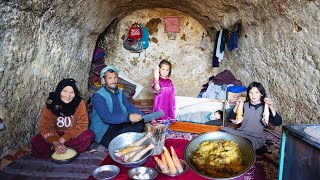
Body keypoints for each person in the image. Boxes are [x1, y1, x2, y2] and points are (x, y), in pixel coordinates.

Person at [31, 78, 94, 159]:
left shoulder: (79, 103)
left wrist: (64, 139)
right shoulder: (51, 103)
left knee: (89, 135)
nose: (68, 96)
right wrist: (55, 142)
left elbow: (83, 125)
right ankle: (63, 148)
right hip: (55, 134)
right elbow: (45, 126)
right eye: (65, 91)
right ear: (59, 91)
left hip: (71, 135)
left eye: (72, 92)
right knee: (36, 141)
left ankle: (58, 149)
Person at [90, 65, 145, 148]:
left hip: (118, 122)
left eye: (115, 77)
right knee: (119, 140)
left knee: (140, 123)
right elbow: (106, 117)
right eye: (110, 78)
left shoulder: (119, 91)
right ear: (103, 81)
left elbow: (128, 107)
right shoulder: (98, 97)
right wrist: (128, 117)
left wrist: (142, 115)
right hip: (105, 129)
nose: (113, 81)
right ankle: (123, 140)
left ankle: (124, 138)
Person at [220, 82, 282, 153]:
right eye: (251, 92)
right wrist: (237, 105)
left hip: (255, 137)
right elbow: (230, 118)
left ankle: (257, 148)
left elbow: (278, 122)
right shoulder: (245, 105)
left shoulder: (265, 108)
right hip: (241, 132)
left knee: (244, 144)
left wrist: (271, 106)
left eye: (256, 92)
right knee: (222, 130)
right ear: (248, 94)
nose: (253, 95)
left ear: (261, 94)